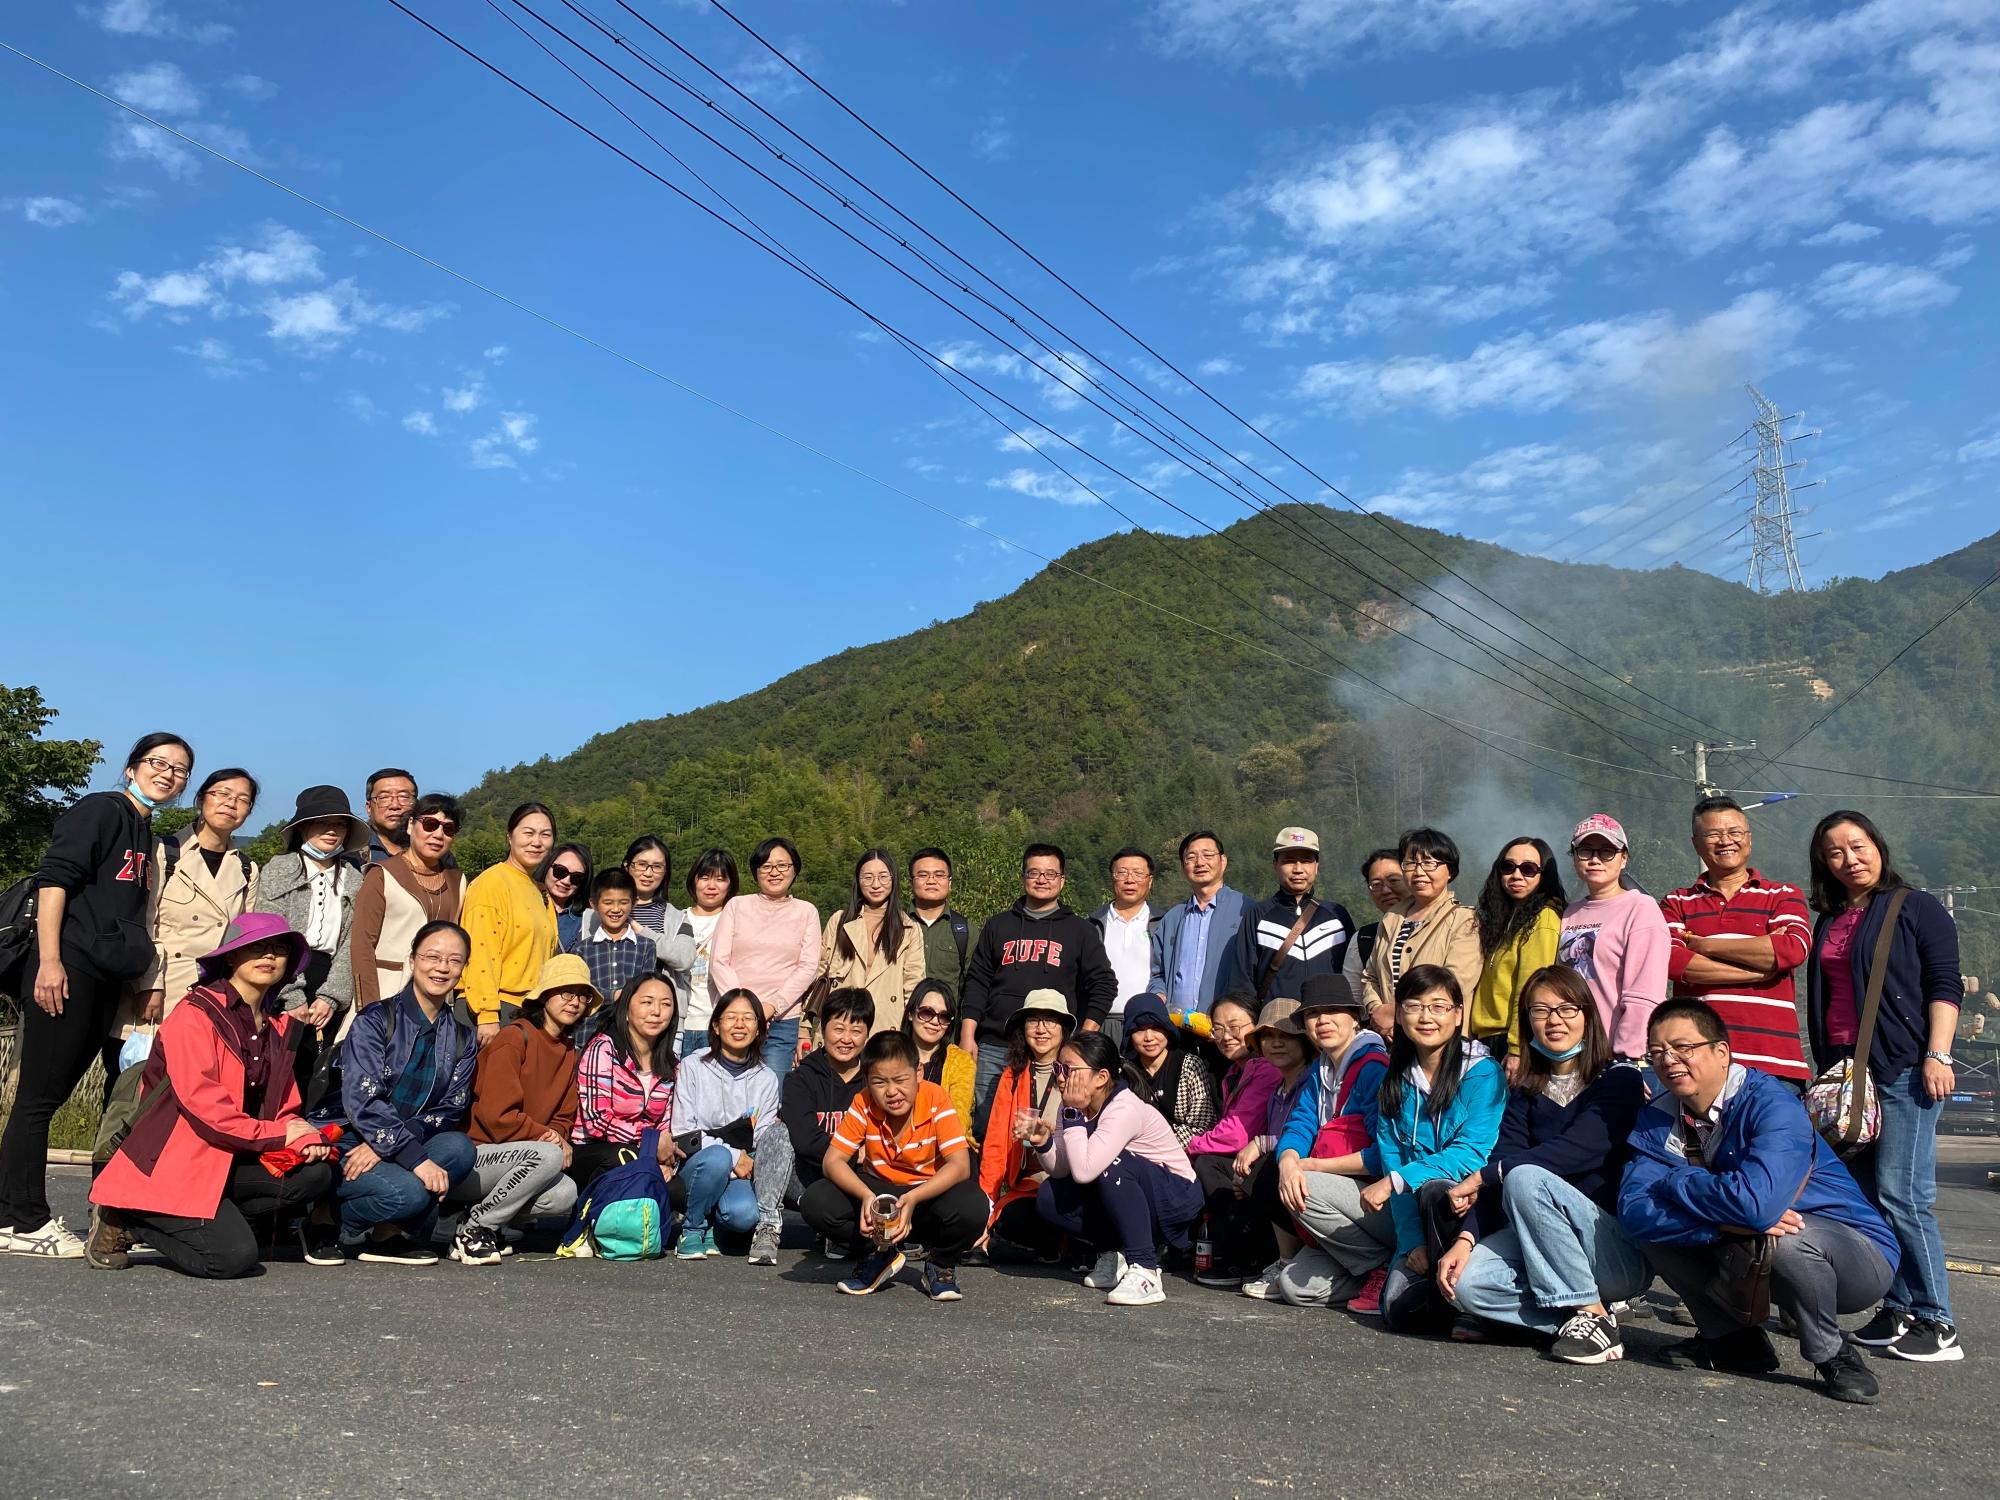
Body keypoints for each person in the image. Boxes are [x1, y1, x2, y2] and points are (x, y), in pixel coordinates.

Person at [1620, 998, 1899, 1404]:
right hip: (1746, 1242)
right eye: (1658, 1052)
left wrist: (1676, 1179)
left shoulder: (1772, 1105)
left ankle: (1831, 1353)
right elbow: (1633, 1210)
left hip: (1854, 1256)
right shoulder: (1658, 1115)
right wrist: (1718, 1224)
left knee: (1785, 1237)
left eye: (1684, 1047)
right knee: (1655, 1234)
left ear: (1721, 1052)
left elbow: (1758, 1205)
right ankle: (1733, 1343)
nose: (1670, 1060)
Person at [2, 732, 191, 1258]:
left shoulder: (146, 831)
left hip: (106, 976)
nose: (168, 774)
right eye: (158, 763)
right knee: (39, 1097)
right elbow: (54, 881)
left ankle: (13, 1212)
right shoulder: (101, 810)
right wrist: (49, 961)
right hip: (70, 966)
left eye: (180, 770)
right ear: (131, 768)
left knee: (50, 1094)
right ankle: (20, 1220)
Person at [85, 913, 336, 1278]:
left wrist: (304, 1137)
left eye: (279, 949)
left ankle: (211, 1220)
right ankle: (125, 1215)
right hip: (179, 1158)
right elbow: (206, 1110)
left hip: (230, 1153)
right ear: (231, 956)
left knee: (314, 1175)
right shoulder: (195, 1014)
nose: (269, 955)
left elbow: (285, 1107)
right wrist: (281, 1136)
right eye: (257, 947)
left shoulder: (277, 1027)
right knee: (231, 1258)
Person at [1803, 810, 1964, 1363]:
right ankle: (1896, 1308)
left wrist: (1938, 1055)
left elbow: (1944, 984)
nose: (1850, 858)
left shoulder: (1916, 906)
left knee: (1904, 1194)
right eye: (1835, 852)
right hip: (1849, 1075)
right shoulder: (1830, 918)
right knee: (1868, 1197)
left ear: (1879, 845)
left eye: (1858, 844)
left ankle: (1937, 1321)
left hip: (1903, 1068)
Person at [1435, 966, 1650, 1360]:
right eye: (1540, 1011)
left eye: (1566, 1008)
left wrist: (1488, 1174)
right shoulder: (1525, 1093)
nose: (1554, 1020)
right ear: (1527, 1023)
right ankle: (1587, 1319)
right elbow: (1501, 1164)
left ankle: (1589, 1308)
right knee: (1467, 1284)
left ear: (1587, 1014)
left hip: (1612, 1250)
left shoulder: (1620, 1080)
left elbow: (1578, 1148)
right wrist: (1466, 1239)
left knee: (1525, 1176)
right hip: (1543, 1243)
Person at [310, 919, 479, 1266]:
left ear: (464, 968)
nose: (442, 967)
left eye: (454, 960)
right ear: (413, 960)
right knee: (411, 1192)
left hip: (395, 1139)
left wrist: (395, 1144)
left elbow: (450, 1109)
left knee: (459, 1149)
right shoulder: (375, 1020)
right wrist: (405, 1152)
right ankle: (321, 1217)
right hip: (347, 1135)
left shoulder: (463, 1037)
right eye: (432, 956)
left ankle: (385, 1235)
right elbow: (363, 1100)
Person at [1361, 965, 1507, 1335]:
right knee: (1395, 1312)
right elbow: (1393, 1154)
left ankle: (1467, 1294)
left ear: (1458, 1014)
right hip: (1418, 1220)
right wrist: (1411, 1242)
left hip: (1473, 1211)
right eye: (1414, 1006)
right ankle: (1451, 1297)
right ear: (1399, 1014)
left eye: (1439, 1006)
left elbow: (1472, 1153)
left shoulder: (1482, 1072)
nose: (1426, 1017)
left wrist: (1396, 1180)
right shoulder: (1394, 1079)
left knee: (1435, 1190)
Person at [804, 1031, 984, 1300]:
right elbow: (832, 1161)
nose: (892, 1092)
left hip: (925, 1196)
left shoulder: (936, 1098)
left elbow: (960, 1165)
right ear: (866, 1081)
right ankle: (877, 1254)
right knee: (816, 1200)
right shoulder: (862, 1102)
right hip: (880, 1198)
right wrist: (866, 1196)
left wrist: (913, 1198)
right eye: (879, 1082)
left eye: (900, 1080)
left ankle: (940, 1264)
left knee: (974, 1205)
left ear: (918, 1073)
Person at [1029, 1030, 1204, 1307]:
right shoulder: (1072, 1106)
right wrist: (1044, 1144)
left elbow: (1085, 1170)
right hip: (1132, 1194)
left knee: (1113, 1165)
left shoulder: (1124, 1108)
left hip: (1175, 1199)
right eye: (1058, 1067)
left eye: (1069, 1069)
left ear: (1101, 1078)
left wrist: (1073, 1115)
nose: (1061, 1076)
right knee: (1049, 1196)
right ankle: (1112, 1253)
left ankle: (1145, 1269)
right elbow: (1063, 1169)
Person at [959, 844, 1118, 1136]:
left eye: (1050, 873)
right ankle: (989, 1182)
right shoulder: (999, 925)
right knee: (987, 1123)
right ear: (1023, 878)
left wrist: (1083, 1035)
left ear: (1062, 880)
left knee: (1048, 1127)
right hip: (996, 1043)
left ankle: (1037, 1182)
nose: (1042, 879)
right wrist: (968, 1035)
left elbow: (1104, 983)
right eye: (1034, 872)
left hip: (1052, 1049)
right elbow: (977, 980)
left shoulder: (1079, 930)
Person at [1263, 975, 1395, 1311]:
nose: (1323, 1021)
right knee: (1295, 1288)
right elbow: (1300, 1124)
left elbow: (1384, 1155)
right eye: (1314, 1014)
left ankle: (1382, 1262)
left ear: (1354, 1018)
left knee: (1302, 1186)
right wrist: (1289, 1159)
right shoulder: (1320, 1072)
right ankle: (1374, 1275)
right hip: (1344, 1204)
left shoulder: (1374, 1068)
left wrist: (1311, 1166)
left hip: (1381, 1200)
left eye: (1334, 1011)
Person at [1661, 796, 1812, 1087]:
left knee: (1776, 1134)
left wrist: (1704, 946)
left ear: (1749, 839)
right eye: (1713, 834)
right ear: (1696, 844)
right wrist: (1758, 967)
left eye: (1734, 833)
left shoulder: (1782, 894)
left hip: (1774, 1064)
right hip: (1697, 1065)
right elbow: (1674, 961)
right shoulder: (1676, 901)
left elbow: (1792, 949)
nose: (1725, 841)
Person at [456, 953, 594, 1266]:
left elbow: (563, 1115)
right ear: (544, 995)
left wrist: (557, 1134)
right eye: (565, 992)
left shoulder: (569, 1050)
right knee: (549, 1155)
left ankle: (474, 1220)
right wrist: (550, 1139)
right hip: (478, 1156)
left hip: (524, 1158)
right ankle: (477, 1229)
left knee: (565, 1193)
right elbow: (497, 1116)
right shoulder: (513, 1037)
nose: (574, 1002)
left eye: (582, 995)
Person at [251, 785, 369, 1081]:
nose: (332, 831)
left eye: (339, 824)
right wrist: (291, 996)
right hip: (281, 975)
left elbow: (352, 942)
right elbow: (271, 932)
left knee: (316, 1069)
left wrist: (331, 997)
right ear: (304, 828)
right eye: (322, 823)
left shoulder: (354, 879)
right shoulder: (280, 869)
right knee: (273, 1067)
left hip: (330, 977)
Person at [131, 766, 260, 1026]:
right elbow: (144, 922)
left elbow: (242, 940)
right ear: (201, 799)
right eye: (222, 793)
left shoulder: (247, 869)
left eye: (242, 799)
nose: (230, 803)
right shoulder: (163, 851)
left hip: (213, 996)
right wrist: (148, 985)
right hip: (160, 990)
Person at [670, 988, 789, 1262]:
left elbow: (761, 1138)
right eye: (731, 1017)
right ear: (716, 1025)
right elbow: (684, 1131)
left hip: (741, 1170)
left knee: (744, 1214)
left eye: (748, 1018)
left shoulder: (766, 1078)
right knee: (718, 1158)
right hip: (698, 1164)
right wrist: (732, 1155)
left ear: (759, 1028)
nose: (739, 1025)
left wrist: (741, 1162)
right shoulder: (692, 1066)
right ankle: (692, 1229)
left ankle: (715, 1225)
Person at [1184, 994, 1282, 1289]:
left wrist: (1187, 1147)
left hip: (1268, 1159)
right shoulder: (1237, 1070)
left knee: (1209, 1163)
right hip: (1253, 1158)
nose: (1226, 1036)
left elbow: (1236, 1133)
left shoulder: (1265, 1068)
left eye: (1235, 1026)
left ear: (1256, 1027)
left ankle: (1245, 1254)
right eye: (1218, 1029)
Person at [1558, 814, 1671, 1066]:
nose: (1595, 859)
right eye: (1586, 850)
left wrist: (1626, 1056)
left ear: (1623, 858)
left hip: (1614, 1055)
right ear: (1575, 857)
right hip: (1567, 1054)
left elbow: (1645, 993)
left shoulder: (1640, 908)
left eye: (1607, 851)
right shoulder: (1568, 912)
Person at [976, 990, 1076, 1258]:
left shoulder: (1077, 1073)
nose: (1041, 1029)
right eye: (1034, 1021)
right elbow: (996, 1141)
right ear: (1023, 1028)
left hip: (1068, 1184)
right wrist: (986, 1205)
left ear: (1064, 1029)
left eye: (1051, 1021)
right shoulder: (1013, 1074)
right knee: (1012, 1219)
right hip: (1026, 1187)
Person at [709, 837, 820, 1077]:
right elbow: (719, 960)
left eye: (782, 865)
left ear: (794, 870)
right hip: (735, 1019)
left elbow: (808, 967)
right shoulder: (737, 906)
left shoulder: (806, 912)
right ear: (756, 871)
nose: (774, 872)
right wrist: (745, 1008)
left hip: (781, 1019)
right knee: (729, 1087)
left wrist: (772, 1006)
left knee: (771, 1092)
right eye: (766, 866)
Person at [1232, 999, 1316, 1301]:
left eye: (1287, 1036)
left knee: (1266, 1167)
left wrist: (1262, 1143)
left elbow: (1309, 1137)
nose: (1276, 1043)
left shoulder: (1313, 1080)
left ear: (1304, 1041)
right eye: (1268, 1036)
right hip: (1287, 1181)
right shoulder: (1277, 1091)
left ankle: (1286, 1261)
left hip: (1313, 1172)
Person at [1362, 828, 1481, 1038]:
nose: (1418, 872)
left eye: (1429, 863)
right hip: (1392, 1041)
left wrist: (1398, 1013)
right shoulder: (1391, 920)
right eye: (1410, 864)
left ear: (1450, 871)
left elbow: (1454, 983)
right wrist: (1377, 1010)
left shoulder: (1465, 920)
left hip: (1438, 1038)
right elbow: (1370, 975)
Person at [351, 792, 465, 1011]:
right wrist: (369, 1008)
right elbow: (362, 945)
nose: (438, 834)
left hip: (437, 1003)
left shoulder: (457, 880)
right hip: (386, 994)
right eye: (430, 824)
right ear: (411, 825)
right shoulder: (382, 875)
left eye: (448, 829)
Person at [460, 803, 560, 1046]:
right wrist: (487, 1013)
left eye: (545, 835)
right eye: (528, 833)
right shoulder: (491, 883)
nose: (537, 842)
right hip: (495, 1009)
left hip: (528, 1010)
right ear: (509, 836)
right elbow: (481, 950)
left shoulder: (538, 890)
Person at [571, 973, 681, 1195]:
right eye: (646, 1002)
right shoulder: (602, 1049)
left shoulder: (671, 1065)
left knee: (676, 1190)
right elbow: (597, 1123)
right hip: (593, 1151)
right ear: (627, 1009)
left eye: (665, 1004)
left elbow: (664, 1126)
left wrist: (662, 1159)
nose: (656, 1012)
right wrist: (650, 1143)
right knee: (624, 1161)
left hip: (641, 1152)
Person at [1231, 827, 1359, 1013]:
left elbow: (1353, 975)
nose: (1298, 869)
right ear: (1275, 864)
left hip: (1327, 1021)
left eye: (1306, 861)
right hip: (1277, 1025)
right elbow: (1242, 980)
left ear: (1316, 866)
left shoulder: (1337, 914)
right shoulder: (1258, 915)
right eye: (1289, 861)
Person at [1470, 836, 1566, 1075]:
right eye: (1508, 867)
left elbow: (1531, 987)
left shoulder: (1542, 918)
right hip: (1486, 1039)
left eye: (1528, 869)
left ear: (1544, 875)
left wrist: (1517, 1048)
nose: (1516, 875)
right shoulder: (1503, 919)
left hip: (1510, 1042)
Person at [817, 848, 926, 1035]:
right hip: (840, 1026)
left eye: (883, 877)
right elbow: (820, 975)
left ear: (893, 879)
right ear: (858, 881)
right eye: (868, 877)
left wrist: (913, 1038)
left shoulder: (908, 929)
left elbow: (914, 987)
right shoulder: (840, 921)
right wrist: (804, 1027)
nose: (876, 884)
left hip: (886, 1029)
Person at [783, 988, 874, 1209]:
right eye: (839, 1029)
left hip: (864, 1176)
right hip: (813, 1176)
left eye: (856, 1031)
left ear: (867, 1034)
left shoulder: (876, 1080)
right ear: (823, 1030)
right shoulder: (801, 1079)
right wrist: (855, 1156)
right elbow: (806, 1142)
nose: (846, 1039)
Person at [1148, 830, 1248, 1018]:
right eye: (1191, 857)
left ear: (1223, 861)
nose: (1200, 862)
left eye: (1208, 855)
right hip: (1178, 1028)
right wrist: (1159, 996)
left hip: (1226, 1031)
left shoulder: (1246, 911)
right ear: (1183, 866)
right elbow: (1158, 974)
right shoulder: (1172, 918)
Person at [1120, 994, 1219, 1145]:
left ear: (1167, 1028)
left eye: (1156, 1028)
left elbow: (1203, 1125)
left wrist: (1160, 1146)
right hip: (1137, 1151)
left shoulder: (1190, 1066)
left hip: (1182, 1153)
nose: (1149, 1037)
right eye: (1139, 1030)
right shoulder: (1125, 1072)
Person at [1090, 846, 1160, 1046]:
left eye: (1138, 873)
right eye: (1122, 873)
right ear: (1112, 878)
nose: (1129, 879)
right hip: (1100, 1023)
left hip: (1147, 1026)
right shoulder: (1091, 925)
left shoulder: (1165, 923)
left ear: (1150, 881)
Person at [567, 868, 661, 1002]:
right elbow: (580, 989)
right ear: (593, 904)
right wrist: (613, 995)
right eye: (608, 903)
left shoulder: (646, 946)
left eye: (623, 902)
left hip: (630, 1021)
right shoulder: (582, 949)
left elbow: (647, 988)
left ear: (634, 902)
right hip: (593, 1021)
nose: (616, 909)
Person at [680, 847, 739, 1059]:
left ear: (730, 884)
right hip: (679, 1026)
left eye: (720, 879)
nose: (711, 886)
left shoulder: (737, 923)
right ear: (693, 880)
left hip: (718, 1025)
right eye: (704, 877)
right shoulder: (676, 920)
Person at [902, 978, 976, 1147]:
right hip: (898, 1146)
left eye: (944, 1016)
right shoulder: (892, 1053)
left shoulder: (961, 1061)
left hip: (948, 1148)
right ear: (910, 1013)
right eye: (927, 1013)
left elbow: (958, 1120)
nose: (935, 1022)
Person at [622, 835, 697, 992]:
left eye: (657, 867)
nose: (648, 873)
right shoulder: (601, 912)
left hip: (660, 1008)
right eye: (642, 865)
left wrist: (643, 933)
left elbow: (685, 958)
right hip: (610, 1008)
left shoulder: (677, 918)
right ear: (627, 866)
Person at [907, 847, 973, 1009]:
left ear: (949, 883)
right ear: (911, 882)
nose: (931, 881)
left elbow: (973, 988)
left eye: (939, 875)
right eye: (923, 875)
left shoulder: (965, 930)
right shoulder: (894, 925)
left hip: (946, 1029)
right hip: (898, 1028)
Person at [1351, 849, 1408, 973]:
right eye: (1376, 884)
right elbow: (1353, 992)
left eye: (1393, 880)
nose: (1386, 890)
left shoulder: (1445, 929)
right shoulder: (1363, 939)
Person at [542, 842, 594, 952]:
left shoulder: (586, 922)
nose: (566, 881)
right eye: (560, 871)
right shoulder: (523, 904)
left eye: (576, 877)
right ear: (547, 866)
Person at [363, 768, 421, 866]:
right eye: (384, 797)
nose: (395, 806)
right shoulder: (353, 850)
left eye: (404, 797)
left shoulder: (430, 847)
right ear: (369, 808)